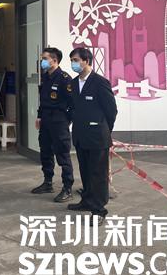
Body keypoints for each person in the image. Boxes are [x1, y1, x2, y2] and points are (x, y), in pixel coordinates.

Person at [67, 47, 117, 226]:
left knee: (98, 174)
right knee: (86, 171)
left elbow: (111, 110)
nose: (73, 64)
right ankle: (87, 201)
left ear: (86, 61)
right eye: (71, 61)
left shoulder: (100, 82)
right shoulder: (73, 83)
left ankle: (98, 210)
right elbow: (74, 108)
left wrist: (104, 129)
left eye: (75, 60)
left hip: (97, 137)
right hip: (81, 136)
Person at [31, 47, 74, 203]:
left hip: (59, 121)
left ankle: (67, 187)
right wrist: (39, 116)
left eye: (44, 58)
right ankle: (48, 182)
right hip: (46, 120)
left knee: (62, 154)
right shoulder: (45, 77)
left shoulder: (64, 78)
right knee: (46, 151)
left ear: (54, 60)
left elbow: (73, 103)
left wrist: (66, 120)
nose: (42, 61)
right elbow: (43, 100)